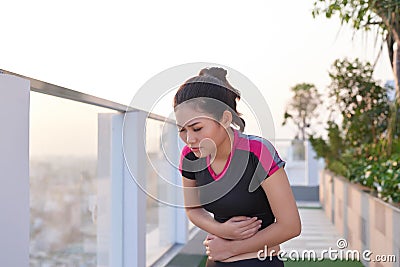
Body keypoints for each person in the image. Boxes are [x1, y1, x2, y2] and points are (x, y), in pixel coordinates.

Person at [174, 67, 301, 266]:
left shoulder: (258, 152)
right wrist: (222, 231)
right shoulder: (190, 157)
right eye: (182, 130)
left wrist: (232, 248)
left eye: (197, 128)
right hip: (216, 261)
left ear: (225, 119)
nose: (189, 139)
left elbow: (291, 226)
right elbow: (193, 209)